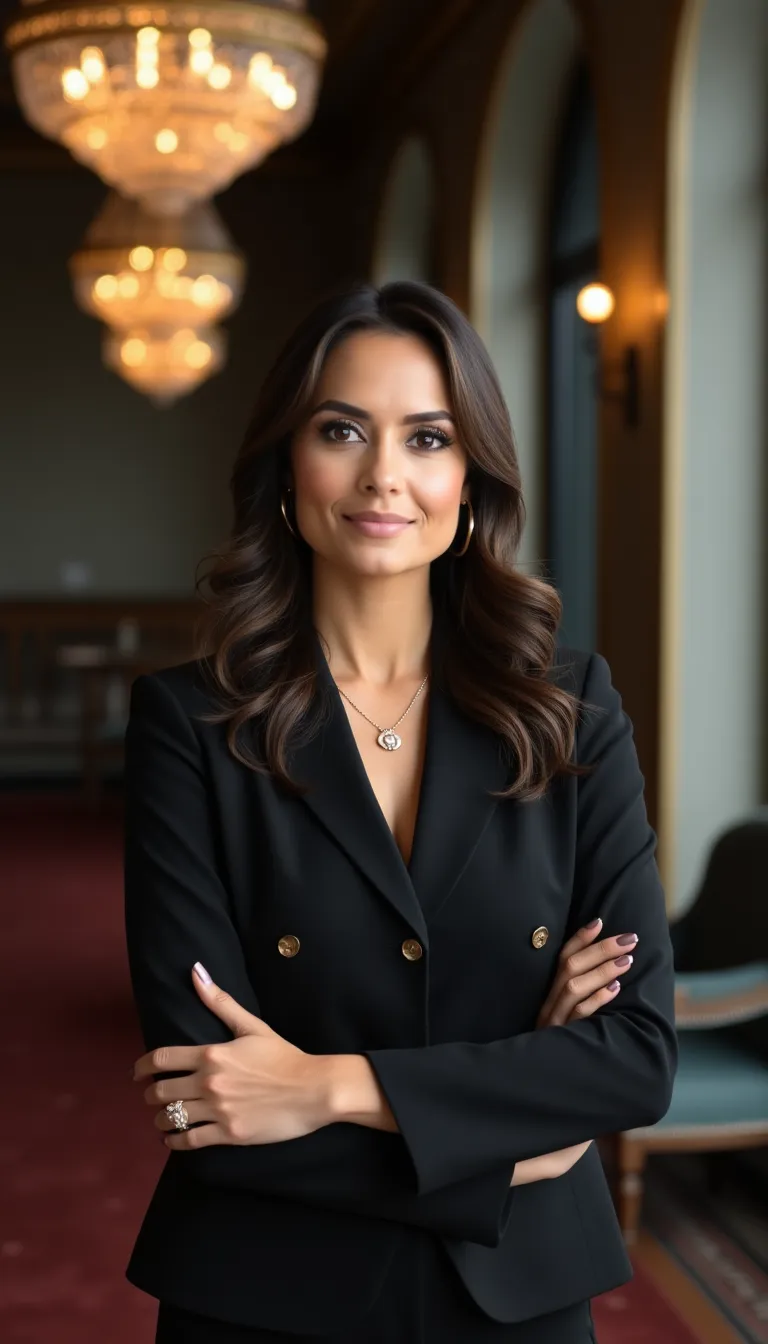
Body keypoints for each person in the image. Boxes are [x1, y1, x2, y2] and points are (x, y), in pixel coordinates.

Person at [123, 280, 677, 1344]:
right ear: (289, 464)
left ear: (470, 479)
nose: (386, 475)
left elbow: (636, 1055)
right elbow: (207, 1100)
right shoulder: (188, 725)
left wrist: (327, 1087)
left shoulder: (571, 712)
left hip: (523, 1299)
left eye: (428, 438)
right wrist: (523, 1141)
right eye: (343, 430)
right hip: (261, 1297)